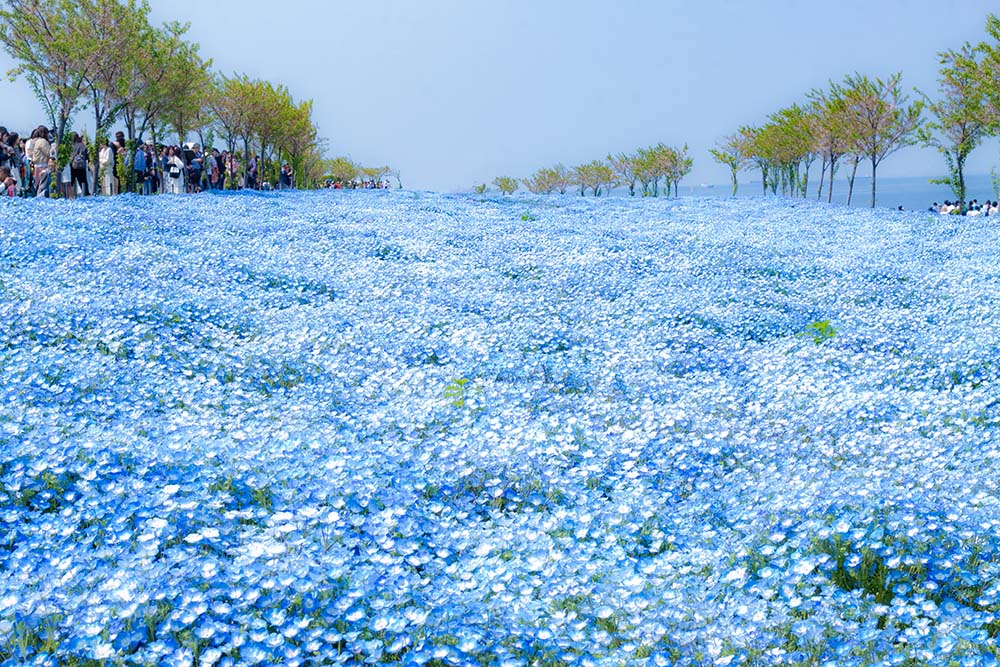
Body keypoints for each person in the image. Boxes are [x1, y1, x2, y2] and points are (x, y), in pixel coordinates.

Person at [31, 126, 52, 197]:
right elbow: (49, 153)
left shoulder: (35, 141)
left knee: (37, 185)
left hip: (36, 166)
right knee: (42, 186)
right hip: (42, 166)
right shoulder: (42, 141)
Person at [69, 132, 89, 198]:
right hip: (81, 166)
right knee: (83, 181)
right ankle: (86, 195)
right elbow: (86, 156)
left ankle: (69, 195)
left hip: (73, 166)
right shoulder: (82, 145)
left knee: (71, 182)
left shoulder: (71, 146)